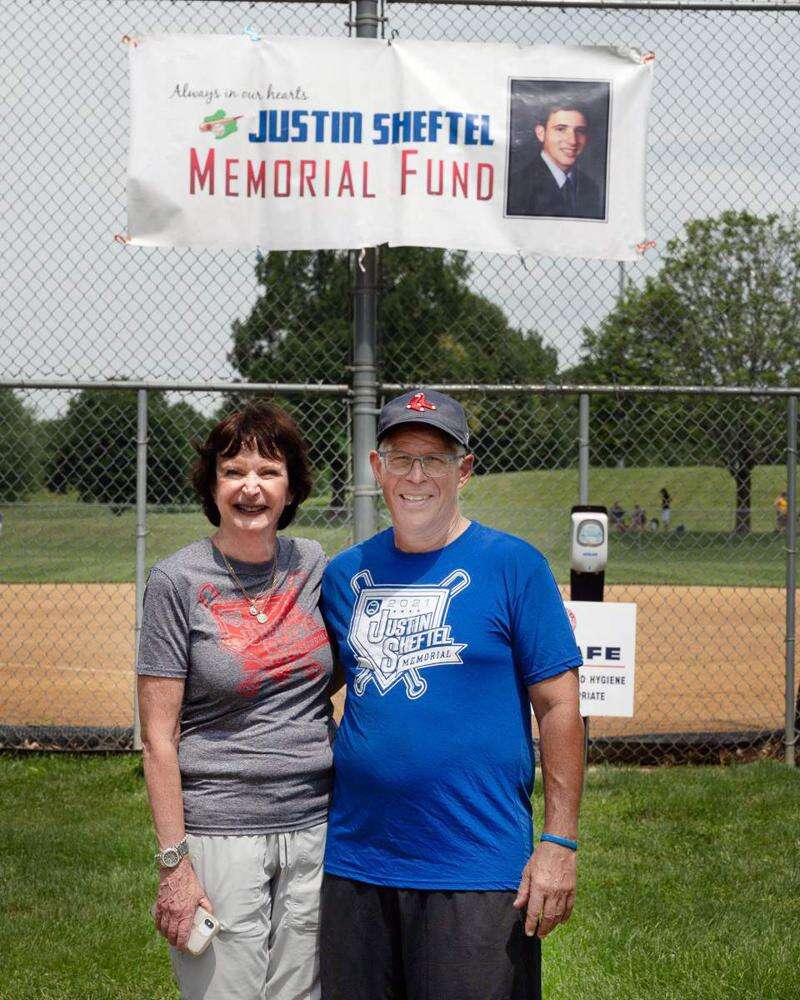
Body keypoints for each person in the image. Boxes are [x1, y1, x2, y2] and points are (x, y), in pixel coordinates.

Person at [319, 388, 584, 1000]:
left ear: (464, 470)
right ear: (375, 468)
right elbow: (306, 686)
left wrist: (559, 841)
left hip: (477, 867)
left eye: (434, 459)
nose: (416, 475)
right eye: (400, 457)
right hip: (357, 862)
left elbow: (560, 705)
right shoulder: (345, 576)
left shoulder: (514, 566)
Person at [137, 401, 334, 1000]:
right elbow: (158, 739)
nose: (251, 488)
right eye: (234, 471)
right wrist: (175, 865)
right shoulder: (177, 581)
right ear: (213, 485)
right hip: (222, 829)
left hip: (317, 826)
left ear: (292, 486)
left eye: (269, 472)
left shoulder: (312, 564)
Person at [507, 100, 603, 219]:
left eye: (580, 131)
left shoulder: (590, 187)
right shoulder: (517, 186)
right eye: (561, 129)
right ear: (541, 133)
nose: (572, 140)